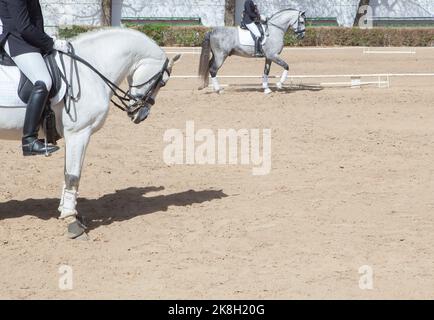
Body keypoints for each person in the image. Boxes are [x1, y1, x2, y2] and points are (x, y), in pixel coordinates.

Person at [0, 0, 70, 156]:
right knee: (44, 81)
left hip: (30, 40)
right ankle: (29, 140)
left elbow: (34, 21)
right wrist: (51, 43)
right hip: (17, 41)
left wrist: (44, 40)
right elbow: (23, 27)